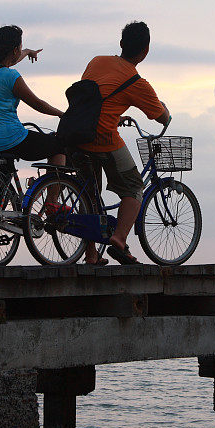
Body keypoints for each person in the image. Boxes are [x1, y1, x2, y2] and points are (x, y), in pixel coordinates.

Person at [77, 21, 171, 265]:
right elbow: (161, 116)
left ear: (121, 44)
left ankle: (90, 255)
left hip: (76, 133)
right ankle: (119, 240)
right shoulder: (137, 83)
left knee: (90, 195)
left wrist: (116, 115)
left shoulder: (96, 61)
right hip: (102, 138)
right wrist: (167, 112)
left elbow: (95, 99)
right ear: (146, 51)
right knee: (134, 187)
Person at [0, 25, 66, 263]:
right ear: (12, 50)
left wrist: (27, 51)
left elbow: (11, 61)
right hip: (11, 138)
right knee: (58, 147)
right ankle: (52, 205)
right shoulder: (11, 77)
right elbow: (38, 104)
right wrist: (61, 114)